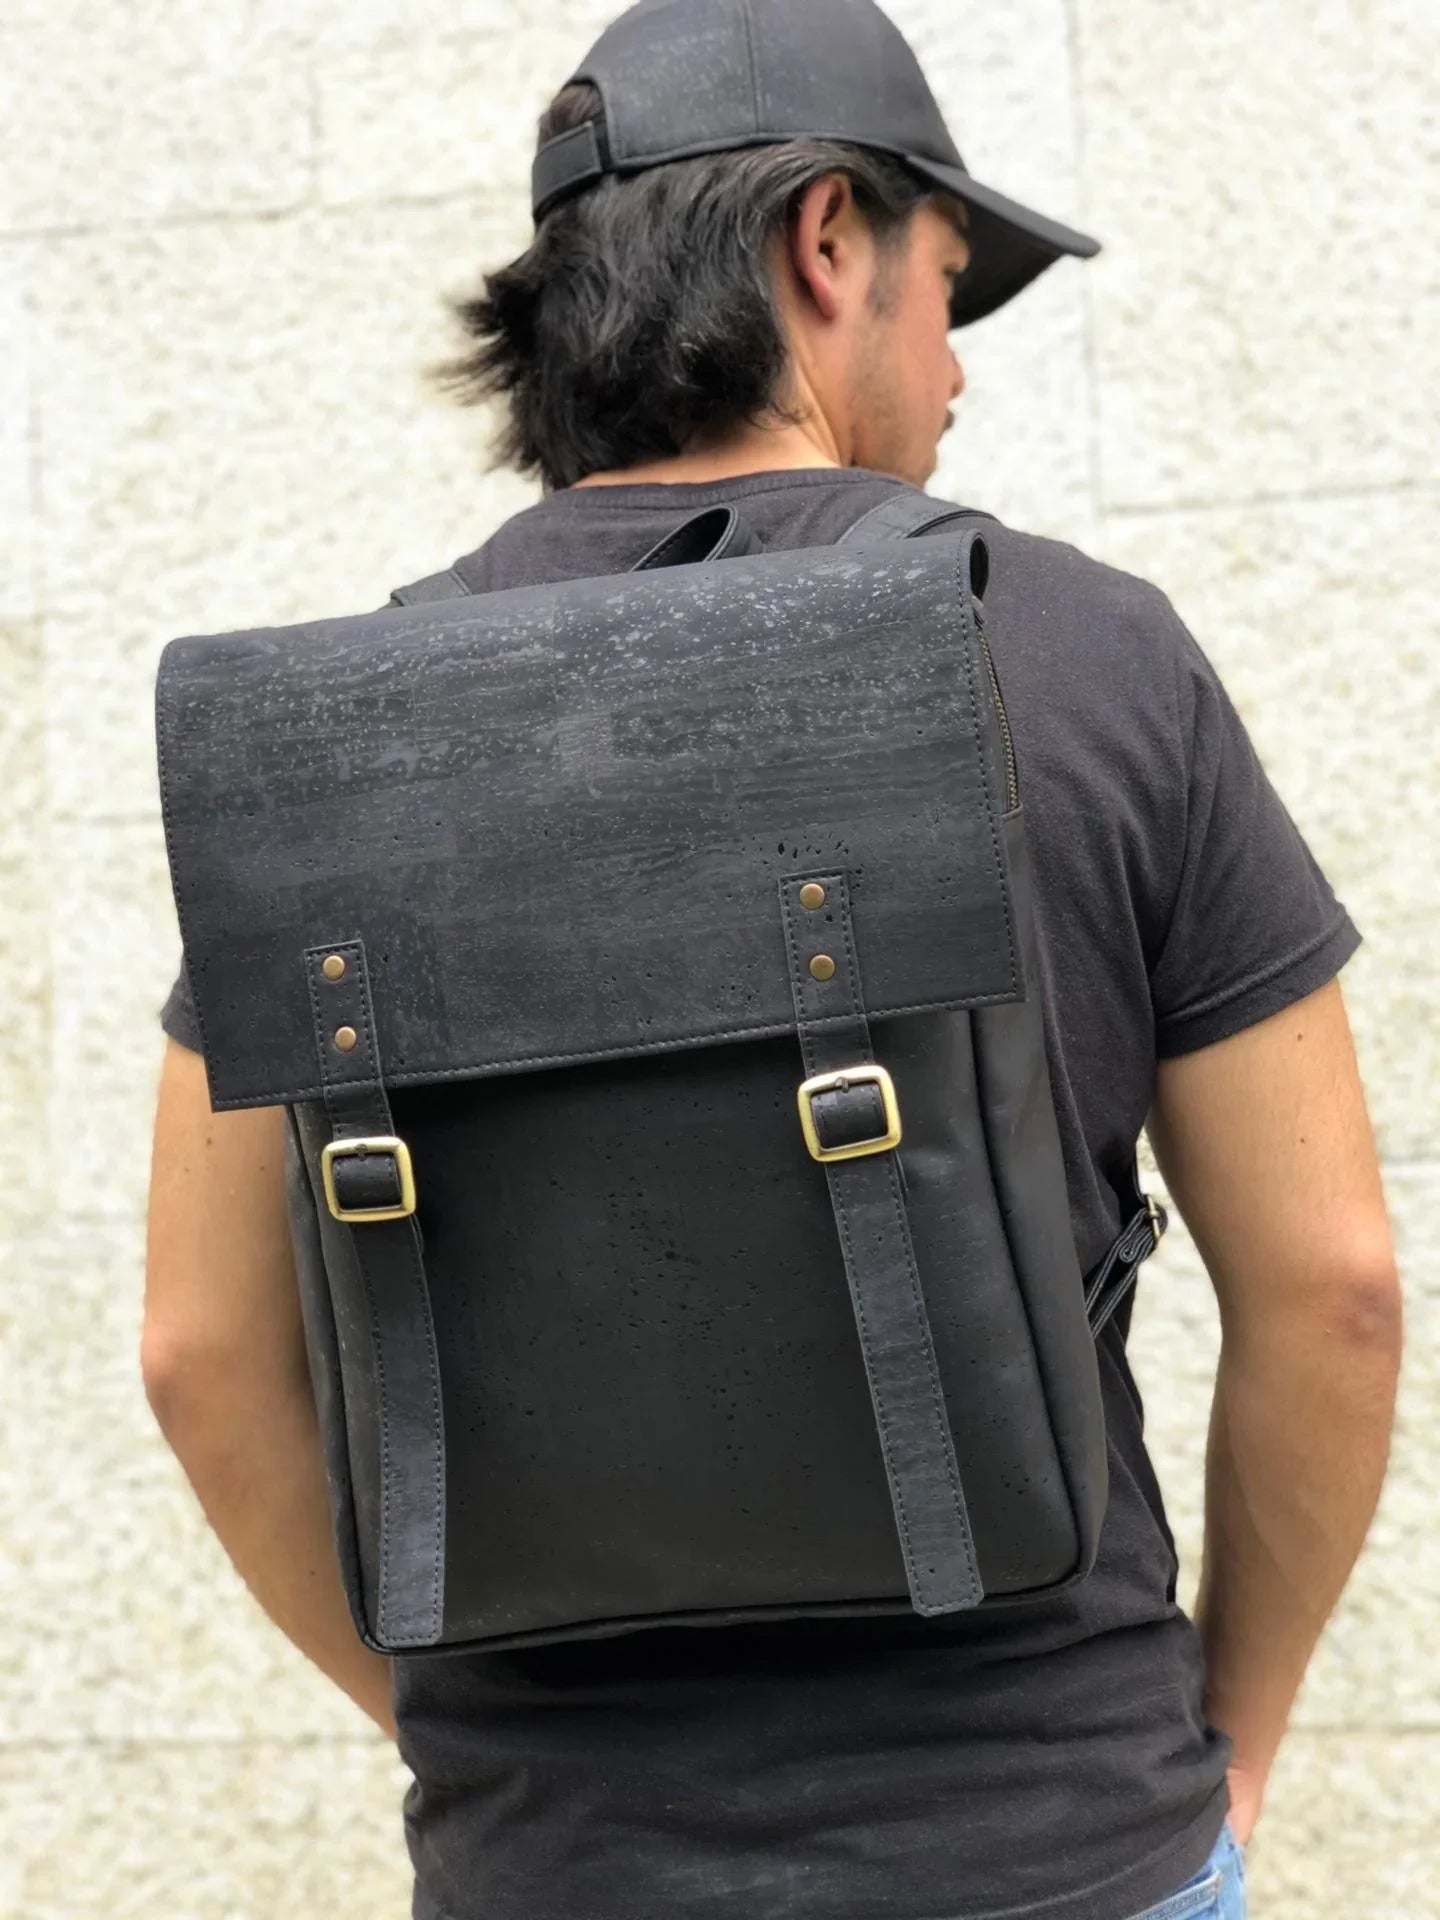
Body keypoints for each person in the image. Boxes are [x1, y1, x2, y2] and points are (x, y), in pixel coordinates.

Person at [142, 3, 1402, 1917]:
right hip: (1056, 1843)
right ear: (829, 243)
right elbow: (1334, 1292)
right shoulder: (1090, 656)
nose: (956, 373)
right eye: (947, 290)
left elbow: (201, 1349)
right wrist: (1226, 1755)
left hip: (557, 1867)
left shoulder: (329, 748)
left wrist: (460, 1739)